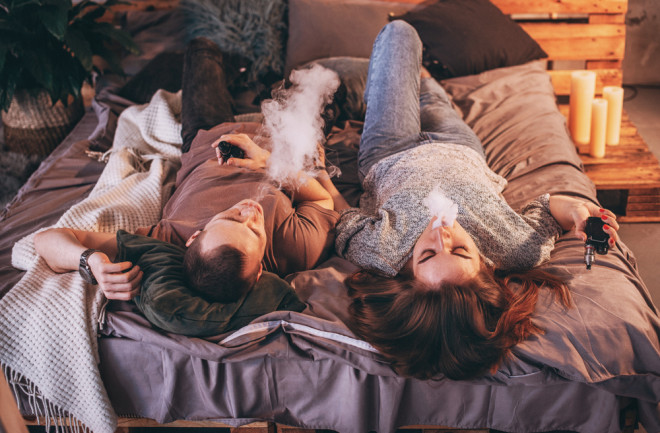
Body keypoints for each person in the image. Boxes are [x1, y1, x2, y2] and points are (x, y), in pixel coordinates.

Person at [334, 21, 620, 380]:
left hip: (388, 149)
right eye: (459, 251)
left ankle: (378, 76)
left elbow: (340, 215)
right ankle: (405, 77)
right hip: (458, 144)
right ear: (485, 268)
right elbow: (548, 207)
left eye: (427, 254)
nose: (442, 236)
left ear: (407, 270)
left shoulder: (380, 250)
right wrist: (578, 211)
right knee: (429, 90)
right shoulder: (514, 248)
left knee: (400, 34)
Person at [34, 37, 348, 304]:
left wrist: (91, 263)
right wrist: (267, 161)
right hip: (285, 139)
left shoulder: (165, 237)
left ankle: (248, 80)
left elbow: (46, 240)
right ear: (259, 274)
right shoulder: (291, 249)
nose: (250, 213)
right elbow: (321, 200)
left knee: (201, 47)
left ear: (194, 237)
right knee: (328, 79)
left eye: (230, 217)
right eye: (254, 230)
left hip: (209, 134)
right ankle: (262, 86)